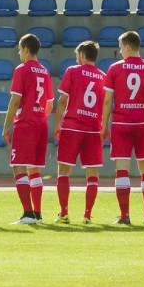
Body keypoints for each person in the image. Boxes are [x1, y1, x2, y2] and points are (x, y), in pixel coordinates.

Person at [101, 31, 144, 225]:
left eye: (121, 47)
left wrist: (104, 126)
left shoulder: (114, 68)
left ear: (128, 47)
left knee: (122, 169)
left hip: (121, 124)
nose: (120, 51)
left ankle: (125, 215)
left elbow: (107, 101)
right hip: (143, 124)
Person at [53, 41, 106, 224]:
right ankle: (87, 215)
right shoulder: (103, 77)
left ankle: (64, 212)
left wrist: (58, 124)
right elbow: (106, 105)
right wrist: (104, 126)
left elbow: (62, 101)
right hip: (93, 128)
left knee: (64, 170)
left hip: (72, 127)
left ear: (82, 55)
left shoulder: (72, 71)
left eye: (78, 55)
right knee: (92, 174)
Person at [3, 33, 54, 225]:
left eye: (19, 49)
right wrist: (40, 116)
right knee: (35, 169)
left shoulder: (22, 69)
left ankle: (27, 213)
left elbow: (15, 100)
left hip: (25, 123)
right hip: (41, 123)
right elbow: (49, 103)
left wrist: (6, 125)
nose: (19, 53)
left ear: (25, 49)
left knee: (18, 166)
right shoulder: (45, 72)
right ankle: (38, 214)